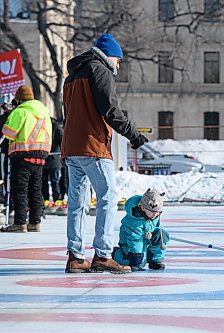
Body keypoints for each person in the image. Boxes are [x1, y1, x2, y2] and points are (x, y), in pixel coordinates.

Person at [62, 33, 149, 273]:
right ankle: (102, 254)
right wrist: (134, 134)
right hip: (93, 146)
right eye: (118, 60)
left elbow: (67, 113)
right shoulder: (100, 70)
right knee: (107, 199)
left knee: (77, 204)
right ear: (109, 56)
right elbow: (110, 109)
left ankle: (76, 256)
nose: (118, 65)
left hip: (72, 147)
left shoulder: (72, 75)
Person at [0, 85, 52, 233]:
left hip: (22, 155)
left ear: (19, 99)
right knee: (36, 190)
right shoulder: (44, 112)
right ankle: (35, 222)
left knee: (20, 190)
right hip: (41, 155)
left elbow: (8, 133)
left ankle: (20, 223)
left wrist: (10, 116)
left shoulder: (20, 111)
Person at [112, 188, 169, 271]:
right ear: (142, 208)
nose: (156, 214)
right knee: (139, 262)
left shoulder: (154, 215)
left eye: (159, 212)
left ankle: (155, 260)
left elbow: (156, 227)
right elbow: (135, 240)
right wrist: (136, 261)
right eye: (152, 212)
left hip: (145, 240)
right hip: (130, 244)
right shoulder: (134, 220)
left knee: (162, 235)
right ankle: (115, 253)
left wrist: (153, 234)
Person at [42, 117, 63, 202]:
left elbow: (61, 139)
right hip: (47, 158)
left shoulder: (55, 126)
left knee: (54, 180)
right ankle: (47, 199)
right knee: (45, 181)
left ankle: (56, 199)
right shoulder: (53, 126)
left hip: (52, 158)